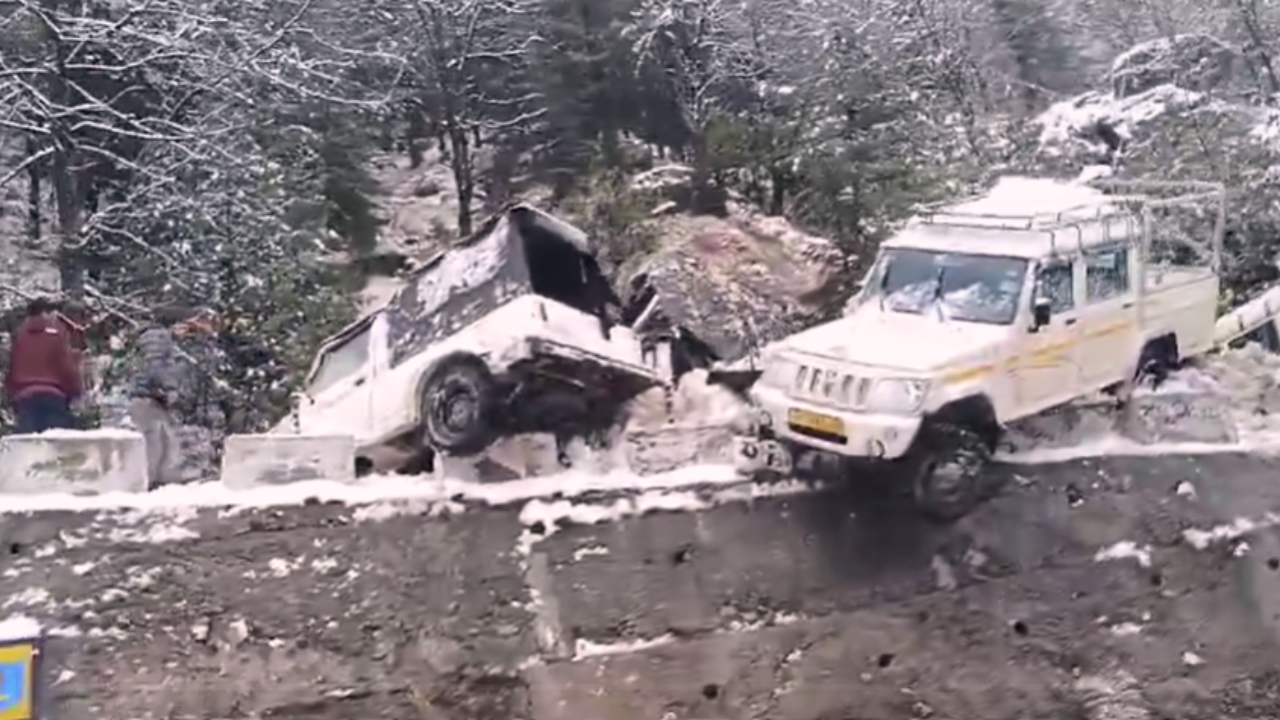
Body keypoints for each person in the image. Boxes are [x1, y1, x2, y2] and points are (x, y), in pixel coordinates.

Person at [4, 297, 82, 433]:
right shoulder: (58, 335)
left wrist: (11, 396)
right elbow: (66, 366)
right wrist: (75, 391)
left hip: (25, 398)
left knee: (28, 447)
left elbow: (11, 368)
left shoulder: (18, 336)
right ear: (46, 313)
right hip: (53, 396)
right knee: (55, 448)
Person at [127, 309, 183, 487]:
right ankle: (149, 481)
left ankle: (157, 479)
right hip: (149, 396)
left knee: (163, 440)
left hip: (148, 396)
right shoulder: (158, 337)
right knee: (155, 442)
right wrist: (169, 388)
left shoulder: (149, 337)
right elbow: (156, 365)